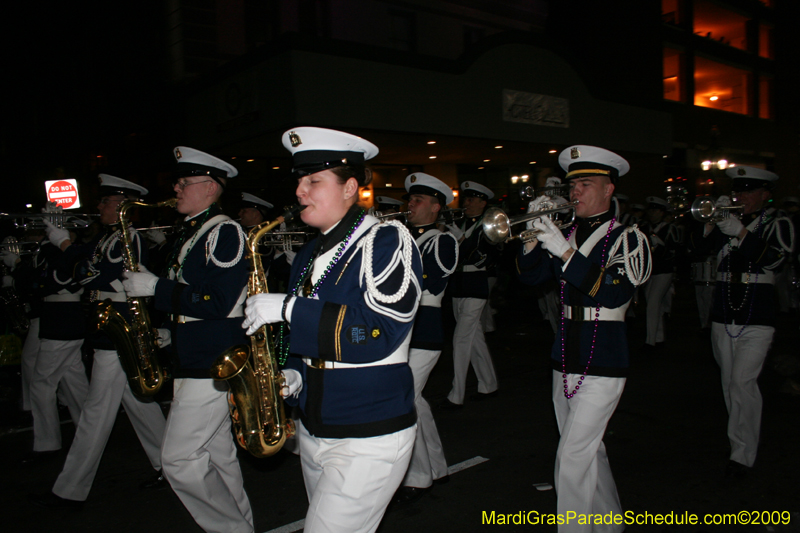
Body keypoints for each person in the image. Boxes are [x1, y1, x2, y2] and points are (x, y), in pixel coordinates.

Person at [241, 126, 423, 533]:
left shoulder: (388, 239)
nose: (300, 191)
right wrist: (294, 374)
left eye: (314, 181)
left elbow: (376, 333)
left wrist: (289, 308)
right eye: (300, 181)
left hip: (371, 429)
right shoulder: (309, 251)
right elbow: (311, 339)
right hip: (316, 423)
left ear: (350, 187)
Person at [517, 145, 651, 532]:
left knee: (572, 457)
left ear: (609, 189)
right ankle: (610, 523)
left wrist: (563, 249)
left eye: (585, 184)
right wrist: (531, 235)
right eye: (573, 184)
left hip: (606, 355)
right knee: (589, 451)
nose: (574, 192)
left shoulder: (628, 237)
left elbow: (614, 293)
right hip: (565, 353)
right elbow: (531, 278)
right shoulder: (568, 230)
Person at [123, 147, 253, 533]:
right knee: (219, 456)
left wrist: (155, 287)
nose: (177, 188)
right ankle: (241, 523)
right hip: (195, 348)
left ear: (210, 187)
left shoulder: (225, 231)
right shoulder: (196, 231)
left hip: (213, 354)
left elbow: (218, 301)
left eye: (184, 182)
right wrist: (170, 328)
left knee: (178, 460)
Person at [30, 174, 167, 509]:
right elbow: (77, 269)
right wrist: (62, 241)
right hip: (110, 325)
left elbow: (93, 273)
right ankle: (169, 463)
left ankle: (70, 488)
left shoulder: (127, 237)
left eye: (106, 202)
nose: (100, 207)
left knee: (95, 412)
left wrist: (64, 243)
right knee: (140, 404)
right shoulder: (106, 237)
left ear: (121, 206)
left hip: (120, 324)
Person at [697, 166, 794, 477]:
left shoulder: (778, 221)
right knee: (729, 383)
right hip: (725, 310)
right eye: (738, 191)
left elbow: (777, 259)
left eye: (748, 191)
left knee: (742, 383)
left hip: (758, 311)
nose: (741, 197)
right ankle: (738, 438)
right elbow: (698, 251)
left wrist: (739, 231)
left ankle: (743, 453)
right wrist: (712, 222)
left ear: (765, 194)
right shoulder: (728, 218)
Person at [392, 172, 458, 505]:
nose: (410, 205)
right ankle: (437, 464)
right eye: (410, 200)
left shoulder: (442, 241)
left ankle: (419, 477)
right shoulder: (401, 237)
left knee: (404, 398)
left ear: (435, 208)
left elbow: (430, 281)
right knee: (415, 400)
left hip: (426, 329)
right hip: (399, 330)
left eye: (417, 201)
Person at [26, 209, 90, 463]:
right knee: (75, 385)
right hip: (61, 319)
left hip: (63, 320)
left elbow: (59, 279)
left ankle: (47, 443)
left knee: (42, 385)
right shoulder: (53, 251)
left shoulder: (67, 252)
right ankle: (89, 433)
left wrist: (56, 244)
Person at [442, 181, 500, 409]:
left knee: (461, 338)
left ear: (483, 203)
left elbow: (484, 256)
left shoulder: (490, 225)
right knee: (475, 338)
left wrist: (463, 242)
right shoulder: (461, 223)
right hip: (458, 283)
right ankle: (489, 383)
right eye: (466, 199)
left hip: (476, 283)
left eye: (471, 200)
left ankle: (456, 394)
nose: (466, 203)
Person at [641, 196, 678, 351]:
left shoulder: (669, 229)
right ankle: (659, 337)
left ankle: (650, 342)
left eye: (656, 210)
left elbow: (674, 250)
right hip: (649, 271)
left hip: (663, 271)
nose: (652, 213)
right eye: (651, 210)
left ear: (663, 213)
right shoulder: (643, 228)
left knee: (653, 304)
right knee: (654, 303)